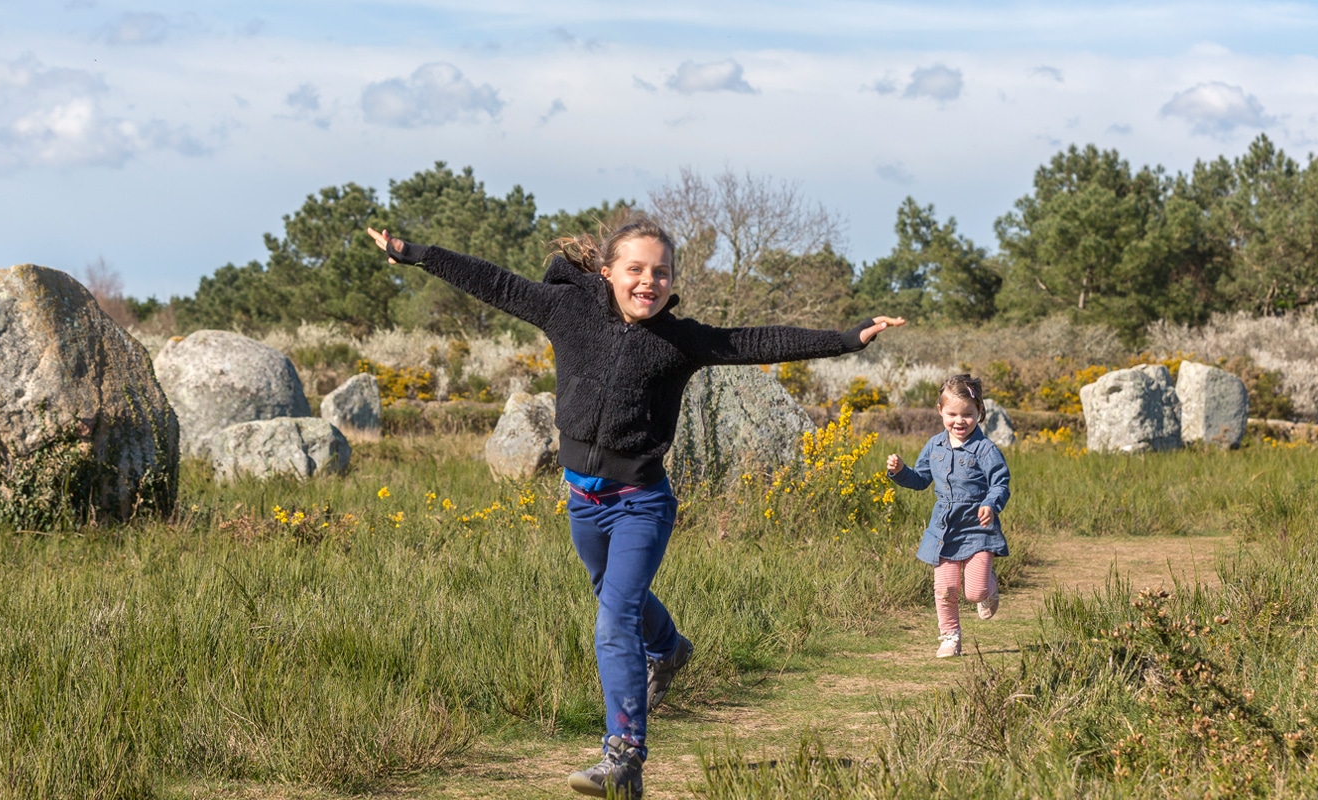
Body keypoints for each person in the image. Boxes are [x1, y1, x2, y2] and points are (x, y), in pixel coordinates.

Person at [367, 220, 904, 798]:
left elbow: (756, 341)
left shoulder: (679, 340)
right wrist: (415, 254)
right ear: (607, 272)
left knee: (614, 619)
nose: (650, 281)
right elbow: (491, 281)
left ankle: (623, 759)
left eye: (662, 272)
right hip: (583, 503)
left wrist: (846, 339)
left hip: (641, 504)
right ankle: (669, 649)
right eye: (637, 269)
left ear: (672, 282)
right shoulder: (565, 311)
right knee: (613, 596)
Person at [885, 373, 1010, 659]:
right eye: (952, 413)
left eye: (968, 414)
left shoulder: (985, 449)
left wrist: (991, 504)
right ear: (940, 411)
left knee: (974, 592)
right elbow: (920, 480)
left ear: (980, 413)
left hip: (978, 529)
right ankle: (950, 637)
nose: (960, 421)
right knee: (945, 589)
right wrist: (899, 471)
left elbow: (1001, 483)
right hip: (943, 530)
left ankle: (989, 588)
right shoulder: (934, 446)